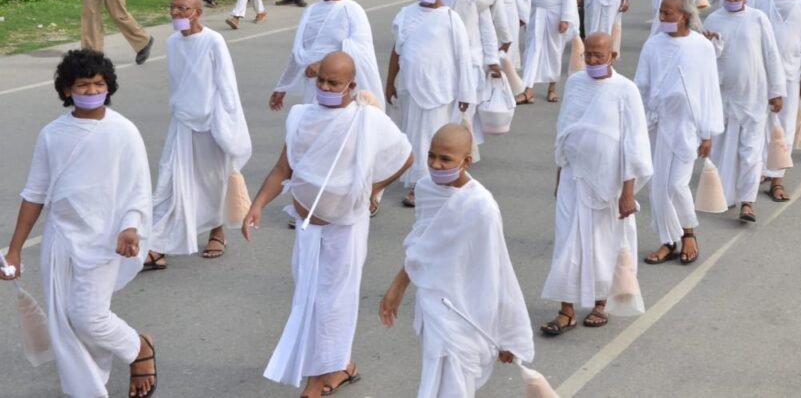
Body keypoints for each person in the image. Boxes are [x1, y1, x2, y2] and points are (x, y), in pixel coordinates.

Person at [243, 52, 413, 398]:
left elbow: (405, 155)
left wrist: (375, 189)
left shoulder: (367, 120)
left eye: (333, 83)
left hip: (346, 227)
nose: (324, 87)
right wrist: (257, 205)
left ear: (351, 86)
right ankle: (340, 365)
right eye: (320, 80)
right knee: (309, 298)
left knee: (334, 302)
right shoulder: (301, 117)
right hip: (307, 227)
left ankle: (318, 380)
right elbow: (282, 169)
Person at [2, 50, 156, 398]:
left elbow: (138, 189)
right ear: (66, 90)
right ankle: (88, 388)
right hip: (61, 241)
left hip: (106, 240)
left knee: (88, 317)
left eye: (98, 84)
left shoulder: (124, 132)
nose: (91, 91)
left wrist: (131, 226)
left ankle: (138, 348)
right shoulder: (52, 134)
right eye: (82, 85)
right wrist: (14, 251)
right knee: (65, 322)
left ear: (109, 87)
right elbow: (35, 194)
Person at [379, 124, 534, 398]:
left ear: (466, 161)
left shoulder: (481, 207)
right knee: (435, 379)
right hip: (434, 303)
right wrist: (398, 287)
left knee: (454, 386)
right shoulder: (426, 188)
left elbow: (497, 271)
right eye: (431, 156)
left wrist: (508, 334)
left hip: (467, 311)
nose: (435, 165)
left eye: (446, 159)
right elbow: (421, 246)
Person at [540, 32, 652, 336]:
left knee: (603, 244)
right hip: (573, 179)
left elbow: (634, 143)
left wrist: (627, 193)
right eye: (587, 55)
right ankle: (566, 310)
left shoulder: (625, 90)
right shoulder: (575, 83)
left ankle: (601, 303)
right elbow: (564, 133)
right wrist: (559, 176)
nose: (591, 61)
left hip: (609, 184)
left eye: (598, 56)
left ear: (612, 56)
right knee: (567, 242)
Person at [145, 0, 252, 269]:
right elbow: (176, 82)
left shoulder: (213, 41)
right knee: (170, 180)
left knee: (212, 179)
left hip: (211, 123)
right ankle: (158, 244)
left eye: (183, 9)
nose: (176, 14)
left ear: (198, 12)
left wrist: (227, 127)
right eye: (173, 8)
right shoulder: (171, 43)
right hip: (182, 122)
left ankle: (217, 231)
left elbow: (226, 85)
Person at [635, 0, 722, 265]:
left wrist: (707, 133)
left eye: (667, 13)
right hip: (657, 124)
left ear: (684, 15)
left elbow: (709, 91)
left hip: (688, 126)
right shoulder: (653, 45)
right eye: (661, 12)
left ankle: (688, 233)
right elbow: (641, 85)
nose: (662, 18)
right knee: (658, 187)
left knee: (676, 184)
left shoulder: (701, 47)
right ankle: (668, 241)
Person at [386, 0, 475, 208]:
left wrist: (466, 92)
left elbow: (462, 57)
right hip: (410, 88)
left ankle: (426, 184)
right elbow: (397, 51)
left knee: (433, 137)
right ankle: (418, 180)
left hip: (439, 90)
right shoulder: (405, 14)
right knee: (413, 135)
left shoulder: (449, 18)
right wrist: (390, 82)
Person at [703, 0, 785, 222]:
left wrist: (776, 91)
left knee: (750, 151)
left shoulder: (757, 19)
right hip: (723, 97)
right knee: (720, 150)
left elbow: (771, 55)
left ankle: (747, 202)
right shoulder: (713, 19)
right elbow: (705, 59)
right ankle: (721, 196)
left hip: (754, 97)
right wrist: (711, 45)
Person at [270, 0, 384, 110]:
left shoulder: (352, 10)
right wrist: (282, 87)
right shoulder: (310, 11)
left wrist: (322, 65)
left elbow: (361, 51)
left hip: (338, 88)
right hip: (314, 86)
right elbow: (300, 52)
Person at [748, 0, 801, 201]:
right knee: (758, 126)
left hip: (790, 75)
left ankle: (777, 179)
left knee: (783, 128)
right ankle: (757, 172)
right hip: (760, 74)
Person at [441, 0, 501, 151]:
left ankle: (465, 149)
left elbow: (487, 29)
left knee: (468, 107)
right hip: (445, 61)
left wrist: (492, 60)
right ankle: (449, 147)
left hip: (472, 60)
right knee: (448, 106)